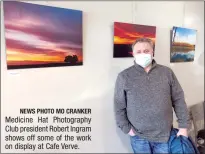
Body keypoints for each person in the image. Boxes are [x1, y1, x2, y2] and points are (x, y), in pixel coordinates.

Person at [114, 37, 190, 153]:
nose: (142, 54)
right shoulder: (124, 77)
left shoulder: (166, 73)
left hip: (164, 136)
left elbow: (178, 100)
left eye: (146, 51)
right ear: (133, 54)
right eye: (138, 52)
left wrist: (183, 126)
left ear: (152, 52)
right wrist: (127, 129)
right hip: (138, 137)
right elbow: (119, 106)